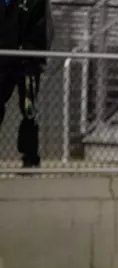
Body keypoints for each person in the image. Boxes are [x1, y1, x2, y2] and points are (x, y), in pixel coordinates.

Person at [0, 0, 54, 168]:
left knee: (28, 109)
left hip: (27, 63)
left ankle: (30, 157)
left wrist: (32, 53)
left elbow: (43, 28)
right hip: (3, 60)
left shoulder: (35, 2)